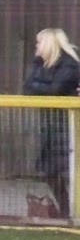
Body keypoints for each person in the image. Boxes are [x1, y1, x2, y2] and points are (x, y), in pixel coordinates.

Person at [23, 28, 80, 218]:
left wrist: (39, 87)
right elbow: (27, 87)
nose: (36, 46)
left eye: (39, 42)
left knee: (69, 170)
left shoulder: (69, 63)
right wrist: (41, 87)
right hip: (50, 124)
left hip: (69, 124)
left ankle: (74, 210)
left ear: (49, 44)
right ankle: (66, 211)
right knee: (50, 170)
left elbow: (56, 89)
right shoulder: (40, 63)